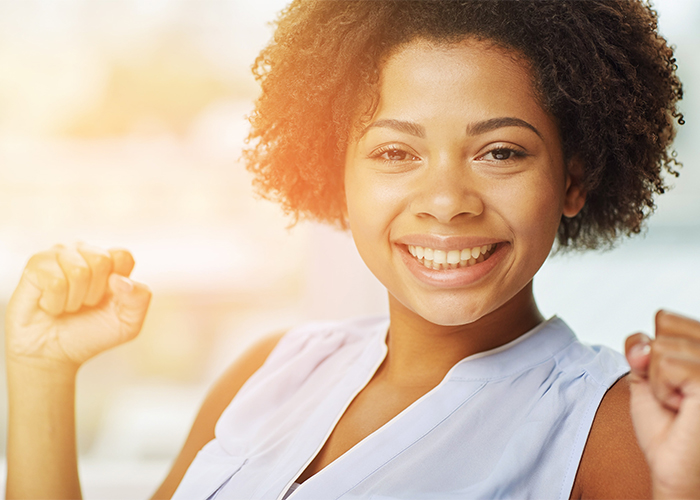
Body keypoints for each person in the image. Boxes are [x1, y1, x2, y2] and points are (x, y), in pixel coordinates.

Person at [4, 1, 699, 499]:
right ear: (337, 173)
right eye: (397, 151)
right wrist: (40, 373)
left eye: (501, 151)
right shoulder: (269, 369)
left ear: (572, 180)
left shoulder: (615, 430)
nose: (447, 199)